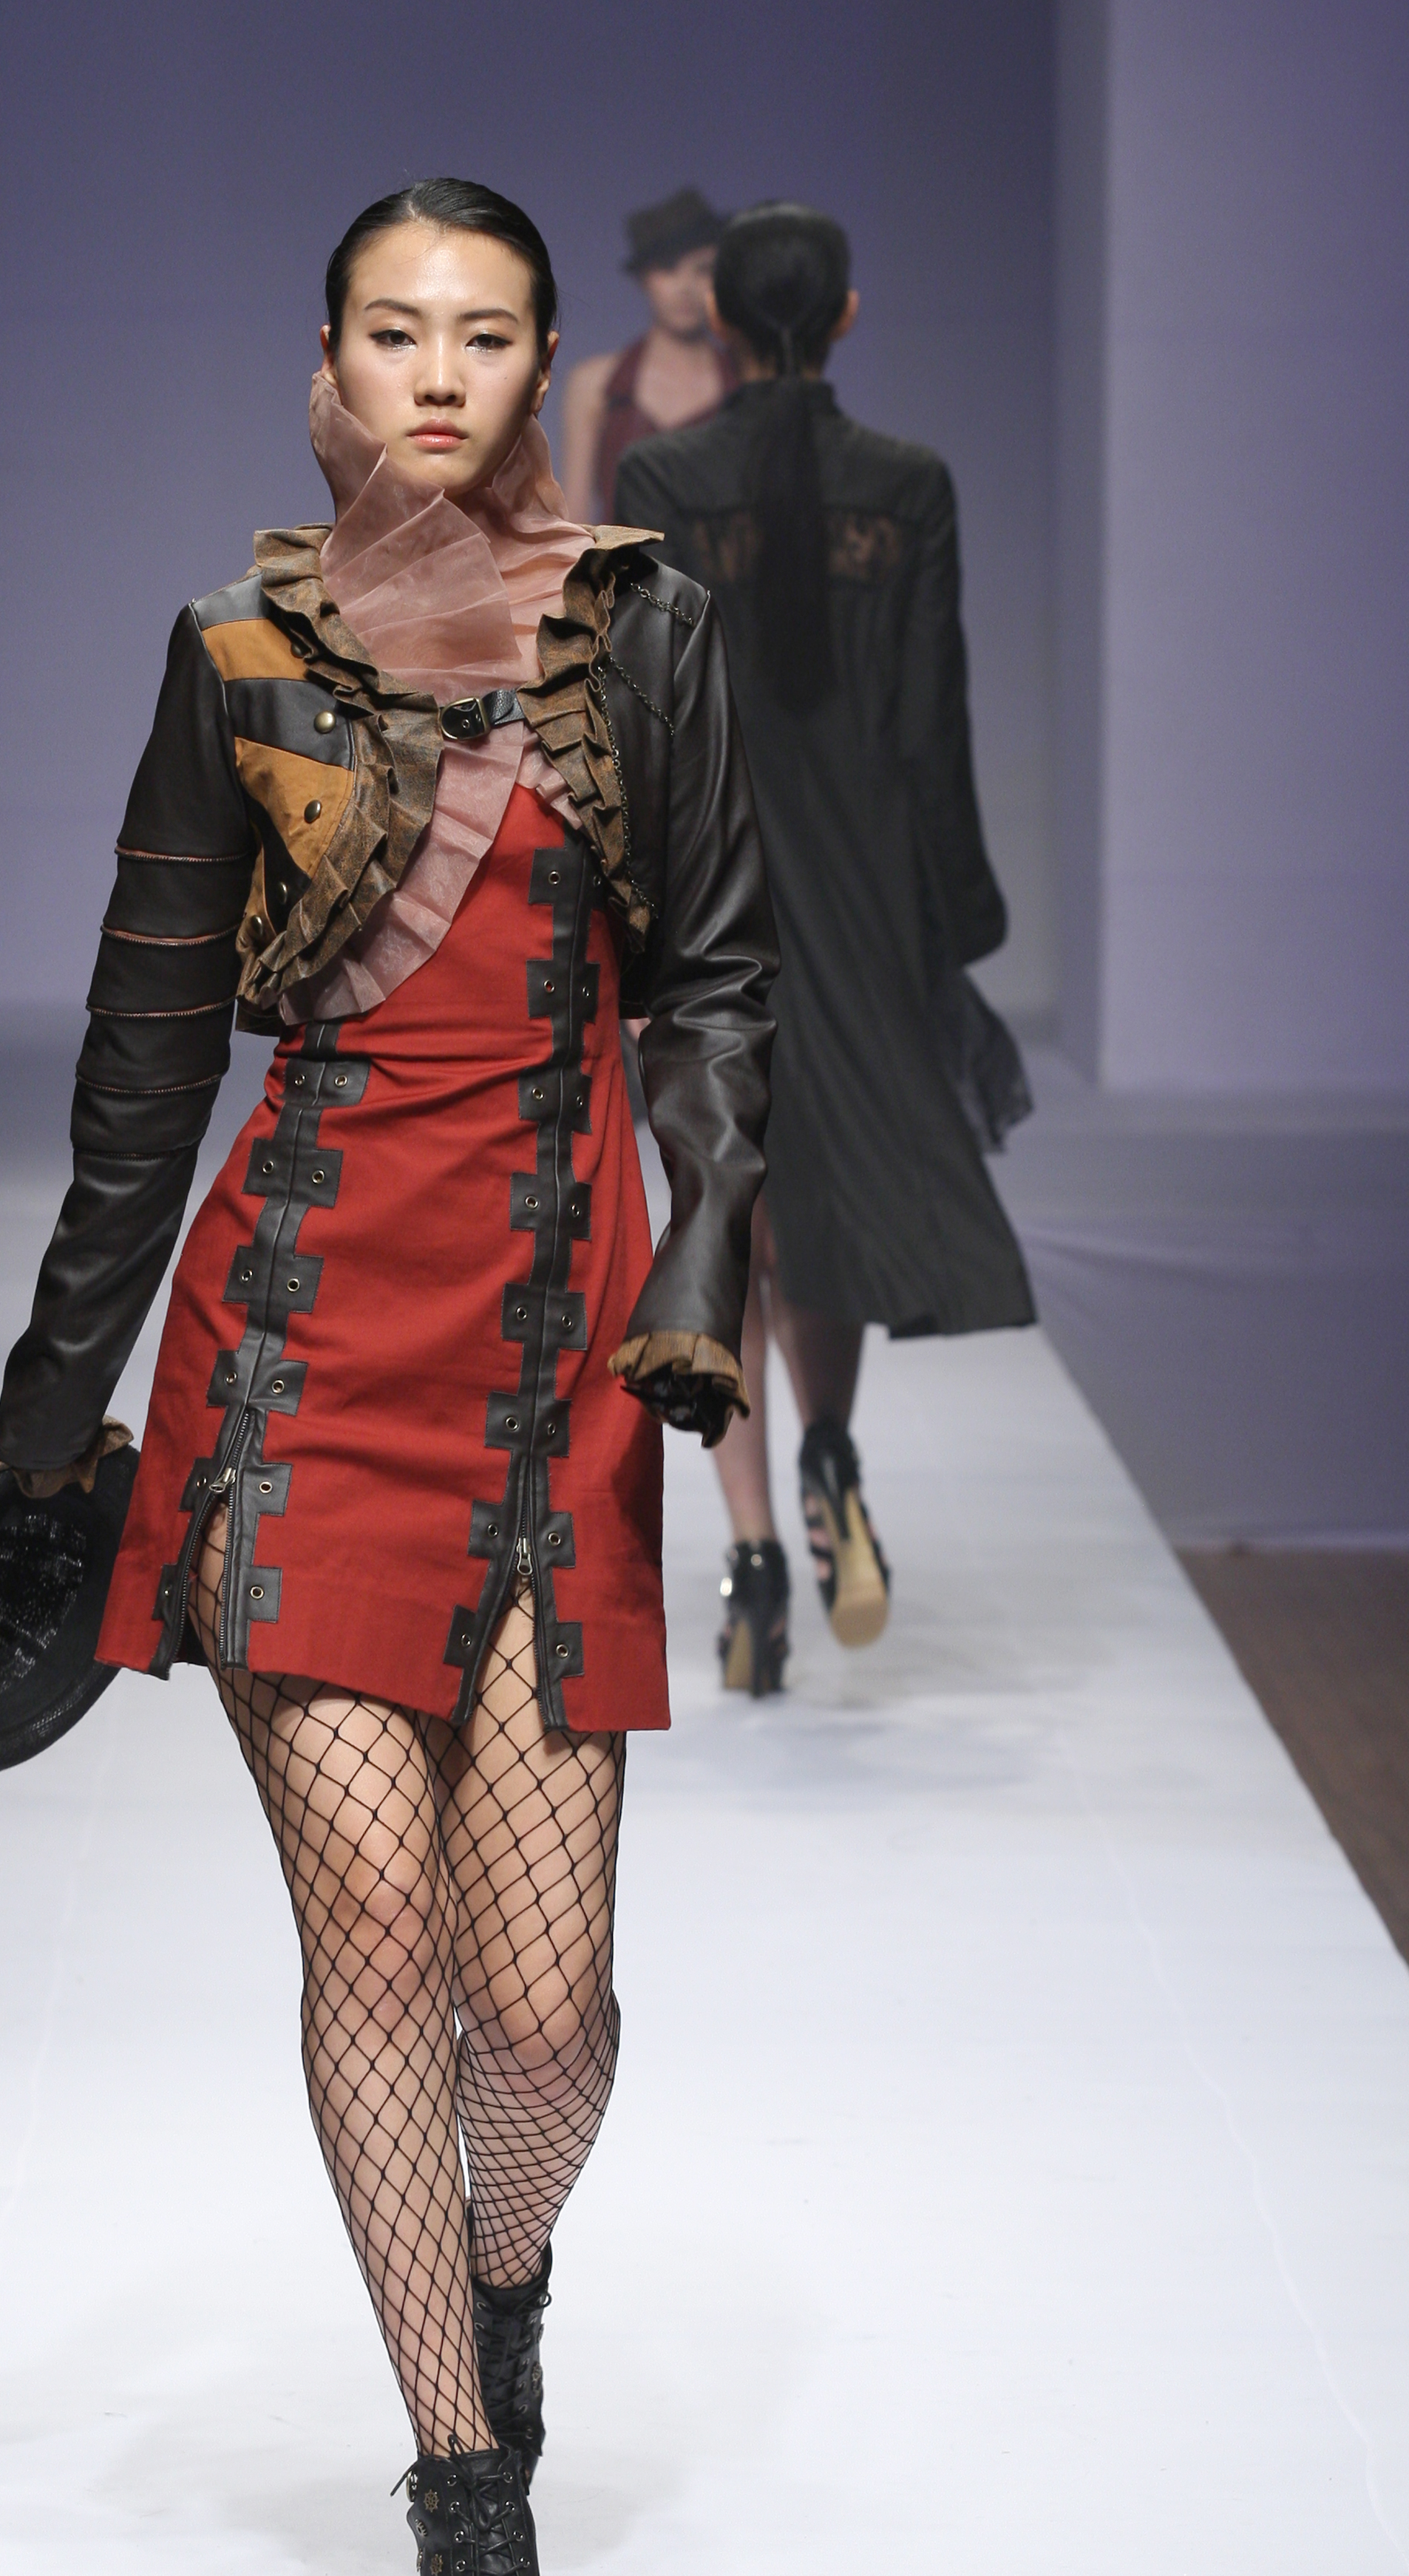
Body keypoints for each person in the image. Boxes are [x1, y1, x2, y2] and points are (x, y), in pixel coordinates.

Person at [0, 180, 778, 2576]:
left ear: (545, 365)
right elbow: (141, 1065)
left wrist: (698, 1266)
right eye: (396, 330)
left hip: (554, 1354)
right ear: (327, 357)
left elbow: (723, 984)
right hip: (298, 1355)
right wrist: (41, 1435)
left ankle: (501, 2280)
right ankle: (461, 2479)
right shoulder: (240, 654)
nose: (439, 374)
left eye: (487, 334)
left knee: (547, 2010)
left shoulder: (645, 632)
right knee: (382, 1944)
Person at [616, 202, 1034, 1697]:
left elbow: (642, 724)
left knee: (727, 1207)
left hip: (711, 900)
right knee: (834, 1198)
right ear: (847, 315)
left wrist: (627, 924)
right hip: (857, 901)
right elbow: (930, 727)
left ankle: (748, 1558)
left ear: (719, 321)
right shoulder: (909, 489)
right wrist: (954, 922)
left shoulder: (659, 480)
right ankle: (832, 1452)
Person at [561, 186, 739, 521]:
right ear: (644, 278)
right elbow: (575, 519)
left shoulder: (742, 385)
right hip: (621, 557)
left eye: (702, 269)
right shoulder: (596, 384)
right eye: (668, 269)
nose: (685, 287)